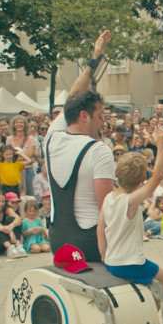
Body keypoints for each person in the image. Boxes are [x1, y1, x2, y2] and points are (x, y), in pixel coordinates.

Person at [97, 126, 163, 324]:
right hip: (129, 263)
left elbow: (100, 228)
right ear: (141, 181)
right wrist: (161, 145)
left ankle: (144, 314)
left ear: (116, 173)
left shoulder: (109, 198)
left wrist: (104, 256)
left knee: (148, 283)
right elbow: (158, 177)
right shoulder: (130, 201)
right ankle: (149, 319)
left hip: (113, 260)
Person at [46, 31, 114, 260]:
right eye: (100, 116)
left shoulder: (51, 138)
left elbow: (73, 98)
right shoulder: (98, 150)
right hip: (89, 243)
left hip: (58, 241)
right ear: (84, 117)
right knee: (159, 280)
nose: (103, 122)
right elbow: (107, 208)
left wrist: (94, 60)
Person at [0, 193, 26, 258]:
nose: (1, 204)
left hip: (7, 238)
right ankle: (10, 248)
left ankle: (18, 245)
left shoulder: (6, 209)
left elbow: (18, 219)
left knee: (13, 220)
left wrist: (11, 226)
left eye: (3, 201)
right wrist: (9, 231)